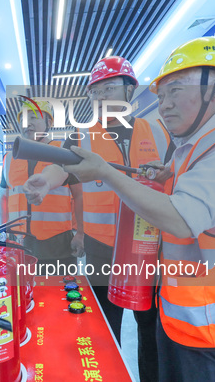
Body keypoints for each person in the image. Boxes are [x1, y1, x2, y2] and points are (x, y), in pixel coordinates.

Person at [61, 37, 215, 381]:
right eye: (162, 94)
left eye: (176, 90)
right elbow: (62, 167)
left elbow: (182, 218)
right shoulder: (191, 147)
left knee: (145, 333)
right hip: (167, 300)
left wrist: (107, 173)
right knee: (105, 326)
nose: (165, 104)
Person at [23, 56, 173, 381]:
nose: (103, 96)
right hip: (102, 251)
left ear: (130, 89)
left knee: (152, 332)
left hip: (150, 252)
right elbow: (60, 164)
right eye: (97, 91)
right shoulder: (84, 135)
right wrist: (46, 181)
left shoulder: (159, 132)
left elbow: (178, 177)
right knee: (105, 329)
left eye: (110, 87)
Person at [0, 100, 84, 266]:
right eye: (23, 119)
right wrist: (2, 234)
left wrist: (81, 233)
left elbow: (80, 195)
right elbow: (3, 198)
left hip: (57, 247)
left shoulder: (63, 152)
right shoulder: (9, 158)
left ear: (49, 122)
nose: (27, 123)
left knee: (61, 290)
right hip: (18, 247)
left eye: (33, 117)